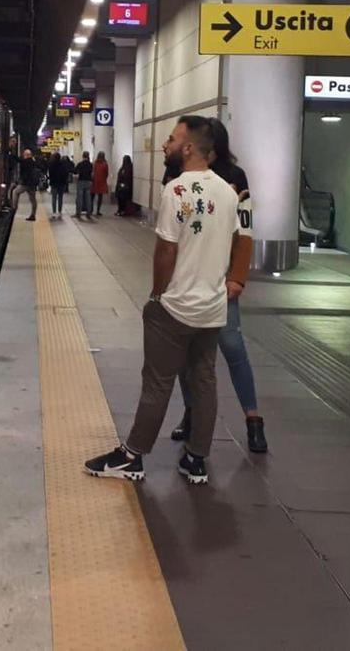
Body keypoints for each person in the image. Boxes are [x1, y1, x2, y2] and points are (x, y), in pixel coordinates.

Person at [85, 117, 239, 486]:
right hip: (212, 307)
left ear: (188, 148)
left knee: (157, 382)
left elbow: (166, 250)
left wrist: (158, 293)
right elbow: (234, 243)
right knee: (204, 381)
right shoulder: (228, 192)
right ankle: (196, 460)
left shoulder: (176, 190)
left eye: (171, 139)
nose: (165, 145)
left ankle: (132, 456)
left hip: (175, 307)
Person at [170, 119, 268, 453]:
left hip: (221, 279)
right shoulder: (178, 175)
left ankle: (253, 418)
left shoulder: (234, 179)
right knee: (186, 353)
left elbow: (245, 231)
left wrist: (237, 277)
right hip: (185, 279)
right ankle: (192, 414)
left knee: (232, 348)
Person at [12, 148, 40, 221]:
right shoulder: (33, 162)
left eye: (24, 154)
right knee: (33, 199)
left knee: (15, 192)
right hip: (33, 184)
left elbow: (18, 160)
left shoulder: (26, 161)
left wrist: (11, 152)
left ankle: (14, 208)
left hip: (26, 183)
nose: (23, 155)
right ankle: (33, 215)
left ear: (27, 155)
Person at [47, 151, 71, 219]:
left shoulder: (51, 164)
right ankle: (59, 212)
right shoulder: (63, 165)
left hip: (54, 183)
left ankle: (54, 212)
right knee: (60, 198)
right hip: (62, 183)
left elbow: (50, 174)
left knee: (54, 198)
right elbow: (66, 173)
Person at [74, 151, 94, 220]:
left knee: (80, 198)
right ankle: (88, 213)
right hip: (89, 182)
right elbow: (91, 172)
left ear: (83, 156)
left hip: (81, 181)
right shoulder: (90, 164)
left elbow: (75, 171)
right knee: (88, 198)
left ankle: (78, 213)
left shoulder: (80, 164)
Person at [92, 151, 110, 217]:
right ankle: (98, 211)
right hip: (102, 182)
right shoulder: (105, 164)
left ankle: (90, 210)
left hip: (95, 182)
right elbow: (106, 173)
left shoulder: (95, 163)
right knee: (100, 197)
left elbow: (93, 171)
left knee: (92, 196)